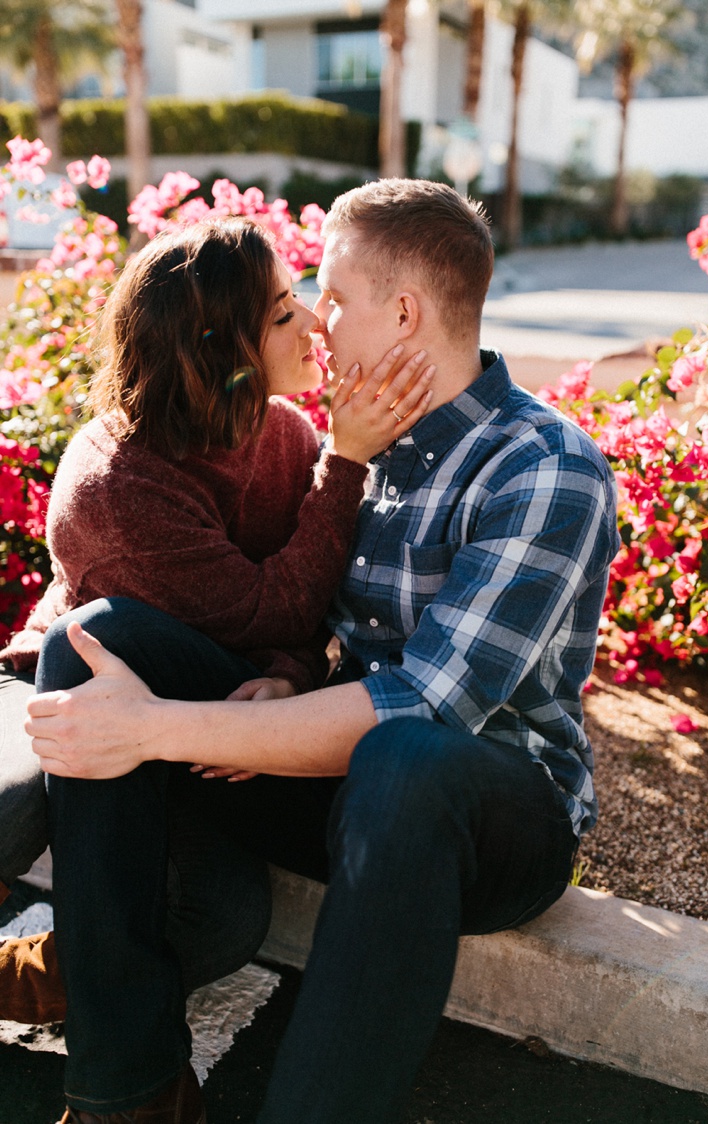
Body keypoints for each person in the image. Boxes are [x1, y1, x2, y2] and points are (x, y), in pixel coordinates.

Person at [24, 179, 619, 1124]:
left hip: (490, 818)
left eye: (332, 298)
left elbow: (424, 706)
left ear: (406, 311)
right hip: (339, 786)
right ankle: (129, 1093)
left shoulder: (544, 467)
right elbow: (306, 622)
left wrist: (158, 729)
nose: (315, 322)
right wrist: (287, 677)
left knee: (405, 758)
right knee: (100, 642)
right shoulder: (360, 443)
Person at [0, 216, 432, 1025]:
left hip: (189, 721)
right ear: (215, 350)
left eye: (296, 298)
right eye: (278, 314)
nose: (312, 323)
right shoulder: (118, 483)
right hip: (61, 679)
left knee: (223, 921)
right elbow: (267, 607)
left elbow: (304, 616)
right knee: (14, 797)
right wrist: (347, 465)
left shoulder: (284, 431)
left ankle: (34, 971)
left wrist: (289, 677)